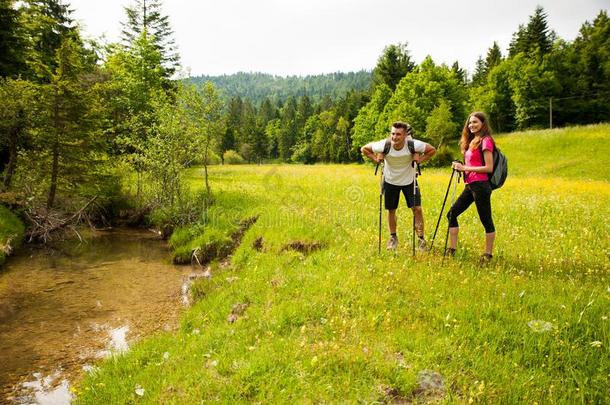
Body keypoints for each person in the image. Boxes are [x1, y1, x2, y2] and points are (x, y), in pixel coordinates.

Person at [361, 121, 436, 250]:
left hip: (409, 181)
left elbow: (432, 150)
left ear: (406, 135)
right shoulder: (384, 145)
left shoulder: (413, 144)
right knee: (391, 210)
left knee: (417, 209)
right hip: (390, 181)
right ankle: (393, 238)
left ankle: (421, 240)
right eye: (393, 134)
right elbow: (364, 149)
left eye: (398, 134)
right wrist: (376, 158)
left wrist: (419, 160)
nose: (395, 137)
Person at [446, 111, 496, 264]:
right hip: (471, 185)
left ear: (483, 124)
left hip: (481, 185)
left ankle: (487, 255)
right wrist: (459, 166)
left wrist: (465, 168)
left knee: (486, 219)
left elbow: (489, 168)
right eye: (469, 123)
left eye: (475, 122)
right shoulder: (472, 141)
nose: (471, 125)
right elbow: (470, 164)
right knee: (451, 214)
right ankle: (452, 250)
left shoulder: (486, 141)